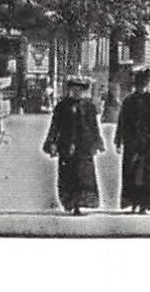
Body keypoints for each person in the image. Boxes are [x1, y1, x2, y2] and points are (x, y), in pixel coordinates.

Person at [42, 76, 104, 215]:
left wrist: (97, 141)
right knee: (68, 174)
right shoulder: (62, 106)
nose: (76, 92)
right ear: (70, 90)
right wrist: (52, 142)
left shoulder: (89, 106)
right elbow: (55, 126)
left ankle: (81, 202)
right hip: (66, 143)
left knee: (83, 174)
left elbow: (94, 126)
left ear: (83, 91)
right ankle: (71, 203)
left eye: (79, 90)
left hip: (84, 145)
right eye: (74, 89)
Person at [115, 67, 150, 213]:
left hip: (148, 143)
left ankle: (144, 204)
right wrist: (118, 141)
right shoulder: (128, 101)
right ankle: (133, 203)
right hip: (131, 142)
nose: (141, 87)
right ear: (136, 85)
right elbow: (122, 122)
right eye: (139, 85)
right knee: (131, 172)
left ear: (147, 85)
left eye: (144, 84)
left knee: (147, 174)